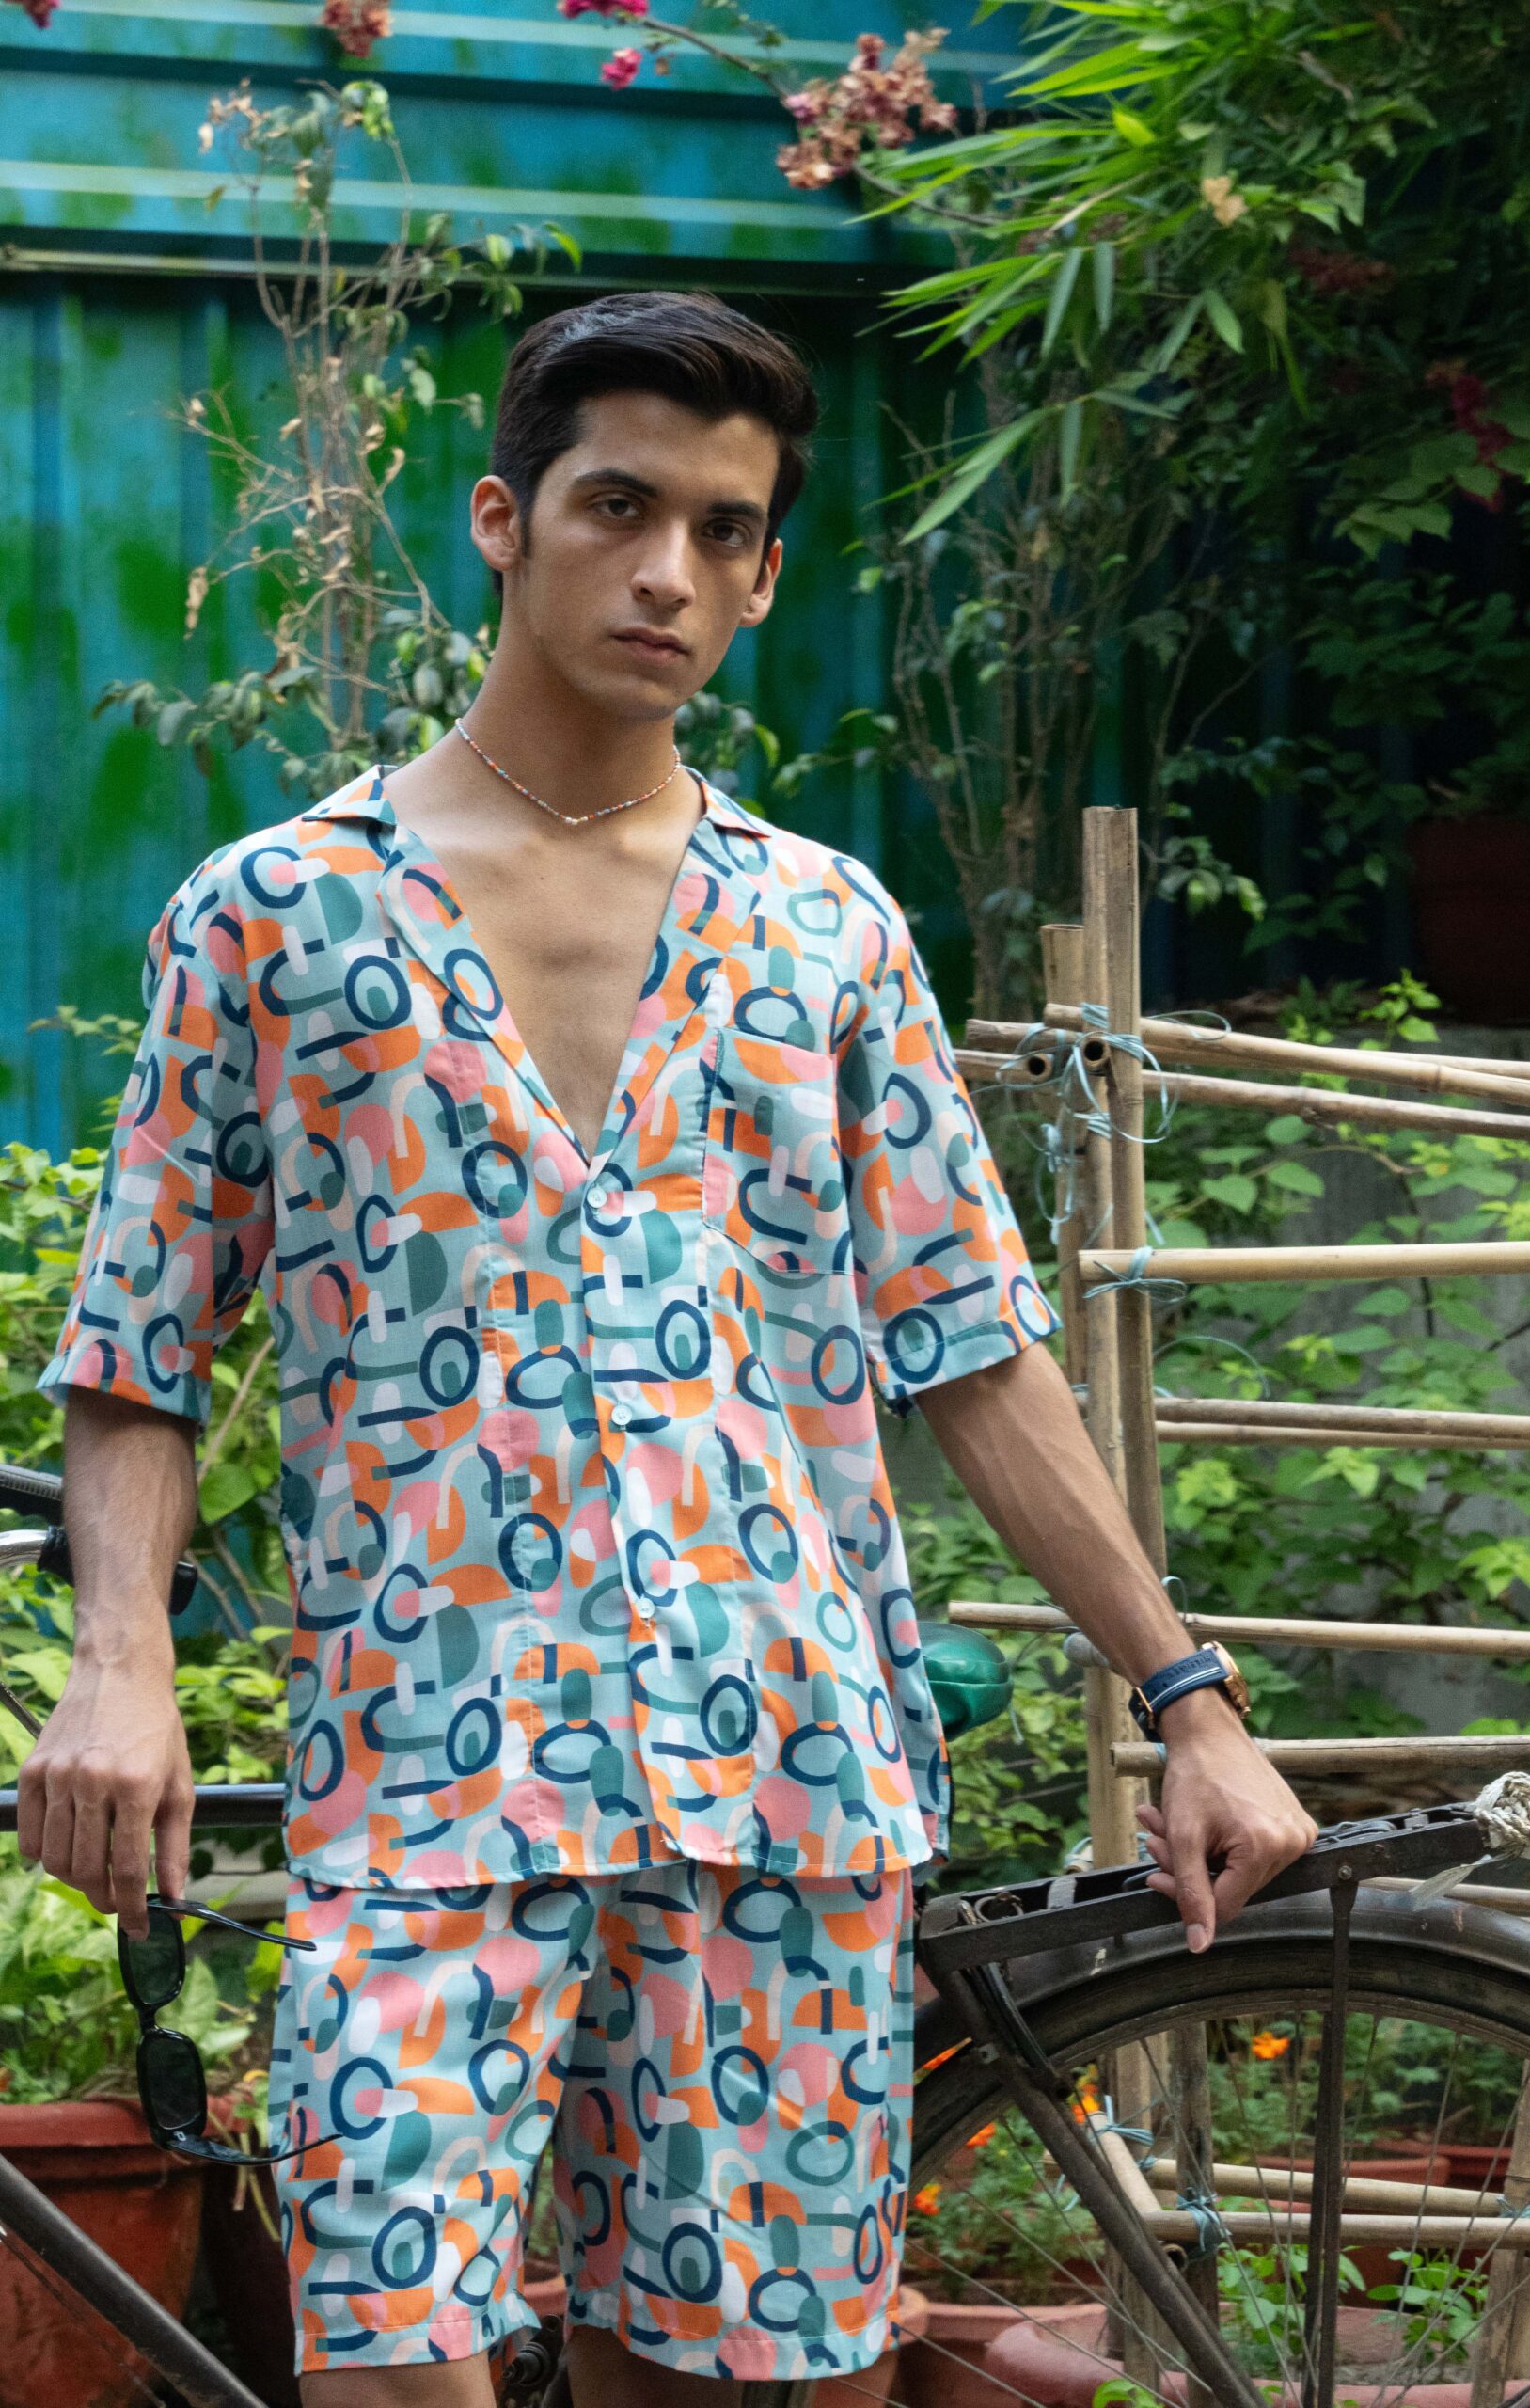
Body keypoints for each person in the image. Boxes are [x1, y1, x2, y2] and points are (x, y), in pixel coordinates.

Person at [18, 292, 1315, 2407]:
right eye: (619, 509)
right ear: (503, 519)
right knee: (384, 2350)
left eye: (725, 531)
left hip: (782, 1784)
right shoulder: (273, 915)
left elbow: (975, 1350)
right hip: (423, 1777)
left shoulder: (827, 929)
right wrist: (119, 1660)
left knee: (735, 2385)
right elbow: (139, 1344)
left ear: (768, 571)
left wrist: (1191, 1699)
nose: (670, 574)